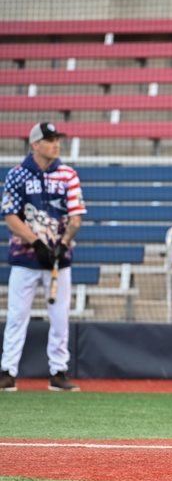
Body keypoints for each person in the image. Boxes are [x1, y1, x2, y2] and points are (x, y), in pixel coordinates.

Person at [1, 122, 85, 392]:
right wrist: (36, 243)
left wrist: (62, 244)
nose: (55, 144)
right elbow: (11, 217)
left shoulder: (69, 175)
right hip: (25, 259)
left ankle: (58, 372)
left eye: (57, 139)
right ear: (35, 145)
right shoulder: (17, 175)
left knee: (60, 316)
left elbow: (76, 216)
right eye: (49, 140)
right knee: (17, 315)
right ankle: (7, 371)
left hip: (59, 260)